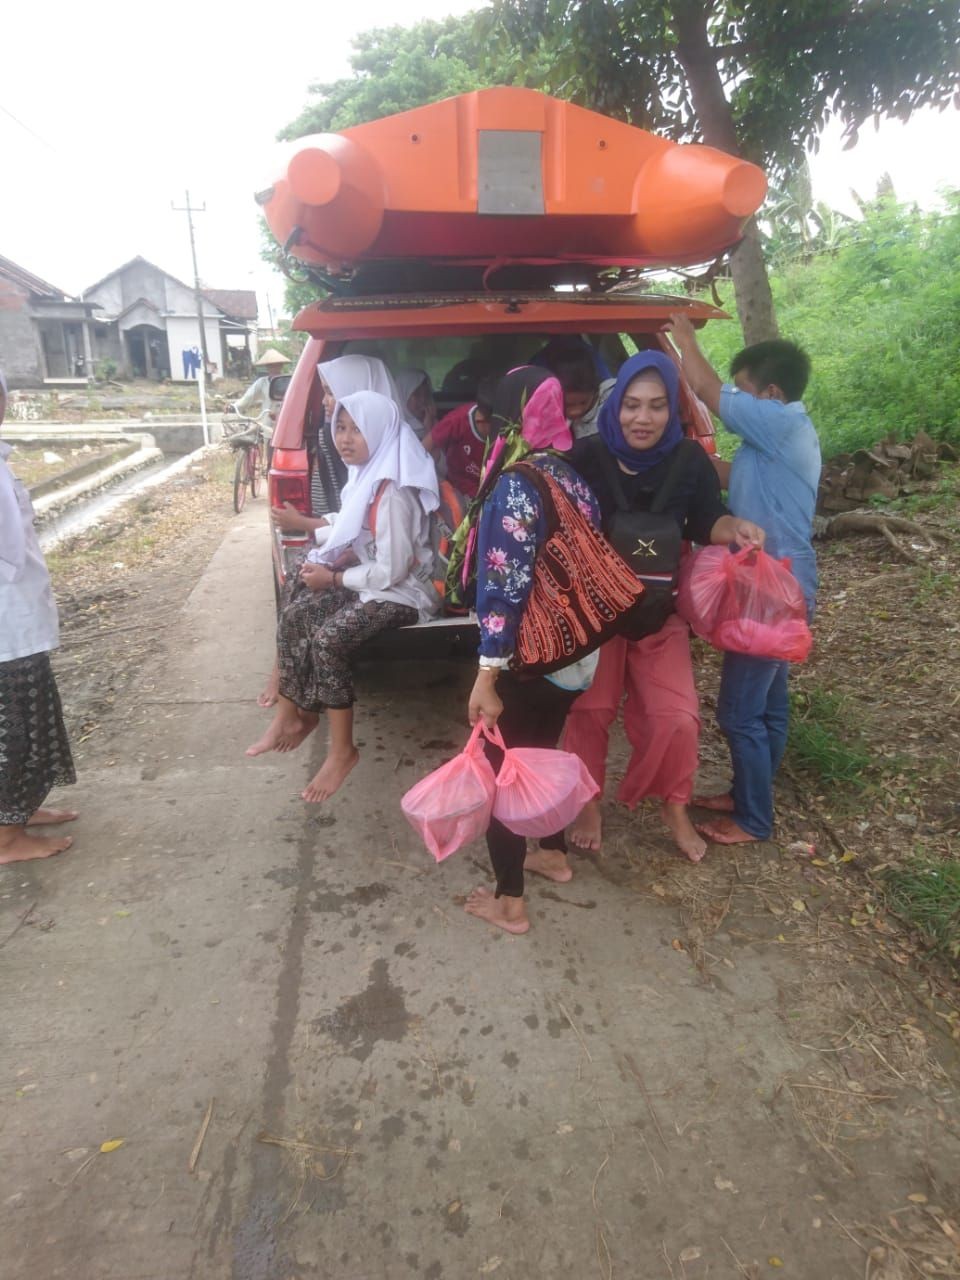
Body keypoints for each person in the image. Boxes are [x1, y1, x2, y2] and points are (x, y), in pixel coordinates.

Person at [563, 350, 765, 862]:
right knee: (590, 710)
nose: (642, 418)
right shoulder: (584, 456)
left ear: (672, 411)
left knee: (676, 718)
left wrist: (734, 531)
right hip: (597, 617)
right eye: (632, 405)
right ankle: (587, 801)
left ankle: (672, 804)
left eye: (656, 406)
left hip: (661, 612)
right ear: (616, 405)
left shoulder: (689, 460)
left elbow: (707, 522)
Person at [451, 366, 604, 936]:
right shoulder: (569, 474)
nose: (486, 422)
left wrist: (487, 673)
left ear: (512, 416)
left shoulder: (515, 484)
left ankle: (510, 903)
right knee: (539, 752)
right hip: (576, 652)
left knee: (505, 774)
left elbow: (504, 585)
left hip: (530, 656)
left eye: (493, 413)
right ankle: (554, 854)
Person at [667, 315, 821, 846]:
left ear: (771, 395)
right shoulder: (781, 436)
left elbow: (707, 391)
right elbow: (732, 474)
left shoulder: (780, 423)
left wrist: (684, 340)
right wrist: (687, 462)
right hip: (780, 582)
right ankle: (748, 796)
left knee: (738, 712)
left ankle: (754, 818)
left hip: (773, 589)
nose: (741, 401)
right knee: (767, 705)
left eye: (748, 392)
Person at [246, 391, 441, 803]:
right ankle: (293, 715)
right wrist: (328, 568)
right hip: (370, 580)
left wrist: (334, 578)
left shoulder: (393, 494)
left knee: (329, 640)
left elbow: (392, 570)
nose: (345, 438)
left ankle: (342, 751)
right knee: (296, 611)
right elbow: (348, 524)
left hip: (403, 594)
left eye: (357, 429)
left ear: (381, 433)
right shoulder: (365, 475)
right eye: (340, 427)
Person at [260, 354, 416, 707]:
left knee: (314, 617)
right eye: (326, 394)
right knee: (301, 580)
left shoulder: (390, 477)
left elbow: (388, 555)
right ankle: (287, 688)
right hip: (373, 566)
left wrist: (330, 570)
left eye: (331, 392)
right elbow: (353, 520)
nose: (326, 402)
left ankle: (294, 703)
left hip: (395, 584)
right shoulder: (358, 457)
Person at [0, 369, 78, 864]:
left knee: (34, 716)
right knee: (13, 729)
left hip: (20, 619)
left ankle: (20, 812)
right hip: (6, 623)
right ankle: (6, 838)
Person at [420, 374, 497, 498]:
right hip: (460, 493)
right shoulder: (456, 421)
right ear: (481, 421)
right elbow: (423, 449)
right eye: (499, 425)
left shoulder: (512, 425)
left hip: (494, 491)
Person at [232, 348, 290, 443]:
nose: (274, 368)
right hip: (267, 424)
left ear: (281, 365)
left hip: (284, 423)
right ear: (267, 367)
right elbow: (248, 397)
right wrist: (234, 407)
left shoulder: (288, 381)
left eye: (277, 364)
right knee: (269, 452)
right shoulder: (262, 382)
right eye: (271, 365)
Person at [394, 368, 437, 439]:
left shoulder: (430, 420)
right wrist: (429, 431)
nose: (423, 399)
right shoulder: (396, 431)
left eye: (426, 394)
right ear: (403, 396)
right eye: (417, 394)